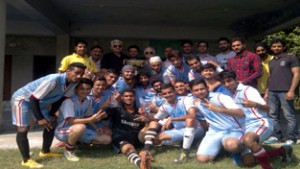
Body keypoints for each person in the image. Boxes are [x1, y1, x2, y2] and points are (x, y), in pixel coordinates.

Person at [11, 62, 86, 168]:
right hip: (23, 100)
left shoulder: (73, 83)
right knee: (23, 128)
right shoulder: (53, 80)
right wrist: (40, 118)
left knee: (51, 124)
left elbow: (61, 98)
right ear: (68, 71)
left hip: (41, 102)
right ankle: (26, 160)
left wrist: (51, 115)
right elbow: (33, 99)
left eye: (81, 74)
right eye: (77, 73)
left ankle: (45, 151)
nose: (79, 76)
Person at [219, 70, 293, 169]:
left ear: (236, 79)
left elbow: (267, 108)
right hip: (246, 128)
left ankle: (267, 167)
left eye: (229, 81)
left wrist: (255, 104)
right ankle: (283, 151)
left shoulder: (248, 90)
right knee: (248, 161)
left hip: (260, 122)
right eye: (224, 82)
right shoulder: (229, 94)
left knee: (248, 139)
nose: (227, 84)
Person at [181, 78, 246, 164]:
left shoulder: (221, 97)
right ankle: (224, 148)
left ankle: (237, 151)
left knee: (232, 145)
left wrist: (218, 109)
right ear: (192, 92)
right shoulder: (197, 102)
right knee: (202, 159)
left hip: (233, 130)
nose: (200, 92)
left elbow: (241, 113)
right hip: (214, 132)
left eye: (202, 89)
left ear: (207, 87)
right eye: (196, 90)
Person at [55, 78, 111, 162]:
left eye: (88, 89)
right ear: (75, 89)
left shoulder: (88, 100)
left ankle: (78, 143)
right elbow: (71, 121)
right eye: (82, 89)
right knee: (80, 127)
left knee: (107, 140)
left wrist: (96, 128)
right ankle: (69, 150)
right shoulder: (69, 100)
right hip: (62, 130)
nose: (85, 91)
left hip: (79, 130)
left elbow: (87, 116)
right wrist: (90, 119)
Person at [102, 89, 159, 169]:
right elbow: (101, 116)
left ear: (135, 97)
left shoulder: (140, 111)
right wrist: (104, 106)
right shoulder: (116, 109)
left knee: (154, 123)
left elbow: (147, 127)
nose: (129, 98)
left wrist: (146, 119)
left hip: (138, 137)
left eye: (131, 96)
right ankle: (141, 164)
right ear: (122, 98)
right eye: (126, 96)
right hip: (121, 138)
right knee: (129, 149)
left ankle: (146, 150)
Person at [264, 39, 299, 145]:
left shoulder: (291, 57)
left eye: (279, 46)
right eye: (274, 46)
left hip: (285, 91)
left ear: (283, 47)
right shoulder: (271, 61)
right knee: (273, 115)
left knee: (289, 115)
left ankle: (292, 137)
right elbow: (270, 78)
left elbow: (297, 74)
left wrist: (292, 90)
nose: (276, 48)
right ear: (271, 48)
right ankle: (276, 136)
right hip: (272, 92)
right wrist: (266, 92)